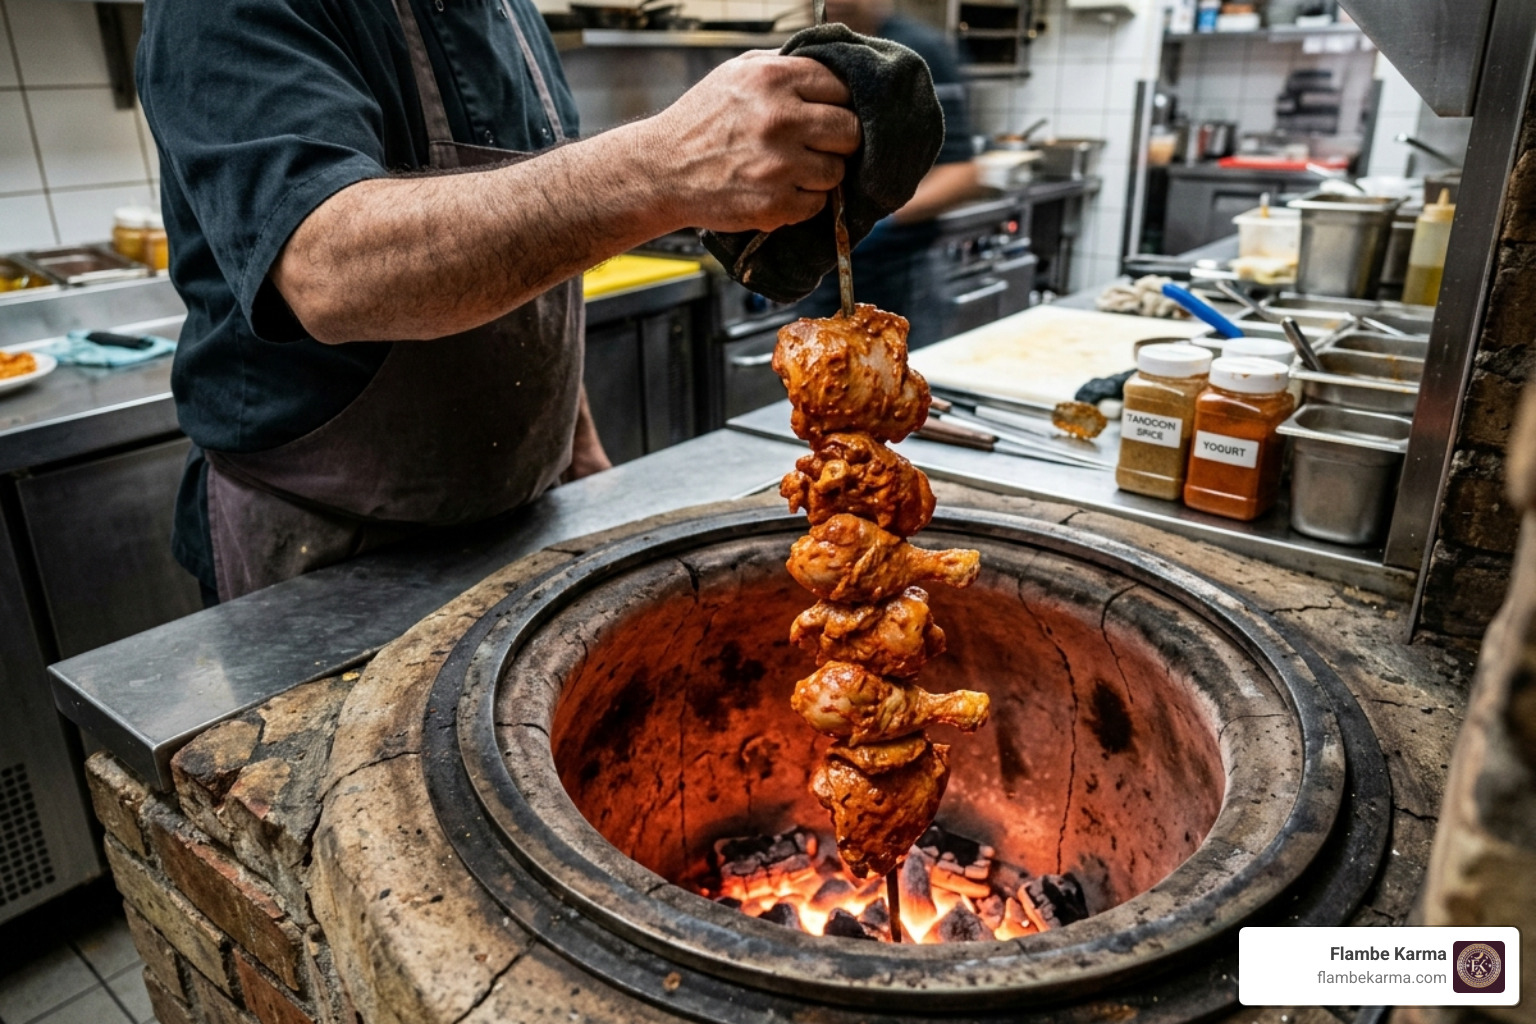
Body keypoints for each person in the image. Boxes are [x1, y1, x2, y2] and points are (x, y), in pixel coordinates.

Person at [136, 0, 861, 603]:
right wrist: (661, 167)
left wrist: (579, 455)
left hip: (520, 516)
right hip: (325, 557)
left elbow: (528, 262)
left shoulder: (509, 12)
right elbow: (329, 272)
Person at [812, 0, 983, 346]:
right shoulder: (817, 51)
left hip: (902, 276)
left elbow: (963, 174)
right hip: (827, 274)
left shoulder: (916, 53)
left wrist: (877, 222)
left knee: (901, 389)